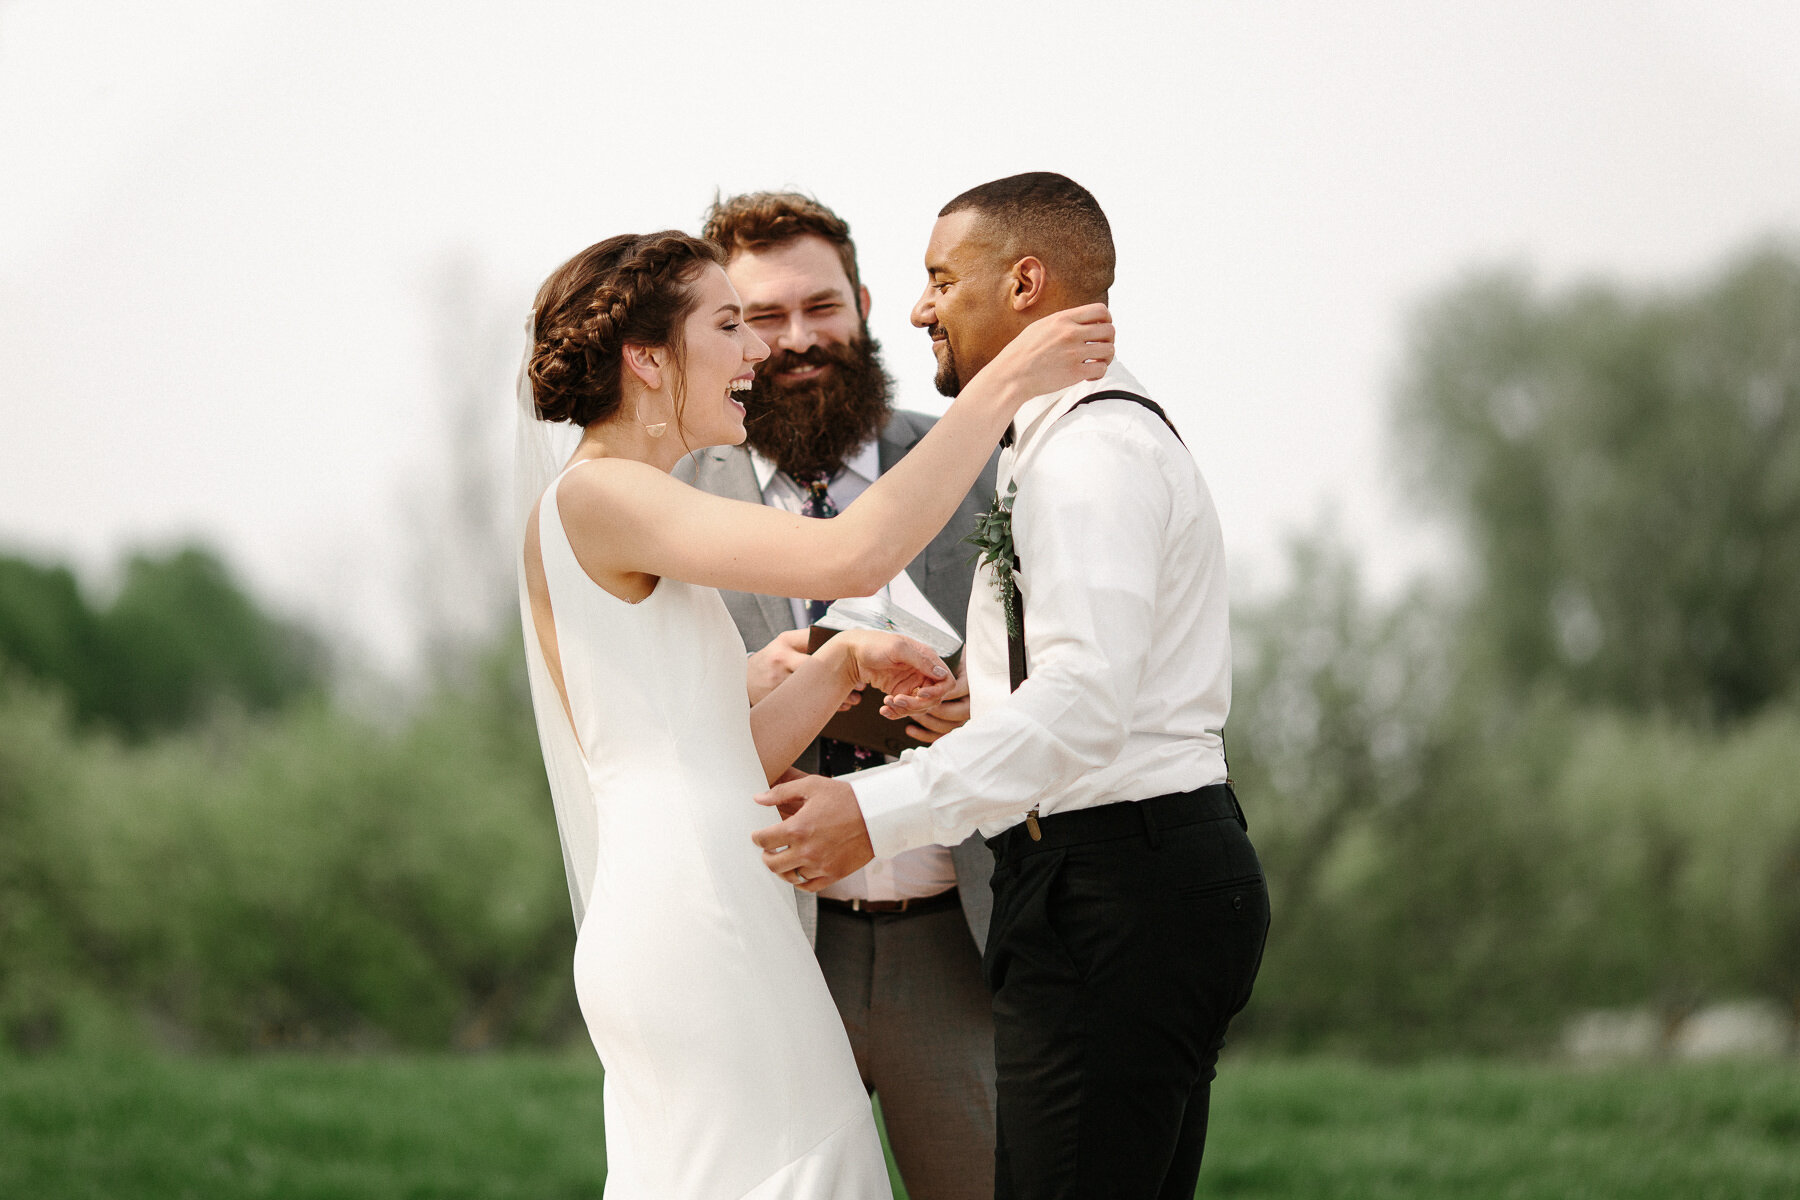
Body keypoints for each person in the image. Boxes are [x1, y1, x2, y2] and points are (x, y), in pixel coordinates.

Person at [514, 228, 1112, 1198]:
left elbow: (718, 758)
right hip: (701, 917)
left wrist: (840, 669)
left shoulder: (614, 503)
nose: (755, 352)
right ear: (647, 357)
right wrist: (1004, 383)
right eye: (728, 325)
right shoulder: (603, 496)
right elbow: (854, 557)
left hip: (697, 902)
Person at [751, 173, 1270, 1200]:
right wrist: (983, 709)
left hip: (1112, 888)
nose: (919, 309)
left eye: (942, 280)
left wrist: (875, 807)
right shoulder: (1056, 447)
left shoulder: (1088, 458)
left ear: (1024, 283)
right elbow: (1096, 688)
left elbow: (1086, 703)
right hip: (1130, 873)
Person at [675, 191, 997, 1200]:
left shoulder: (981, 464)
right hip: (769, 950)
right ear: (724, 331)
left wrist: (983, 700)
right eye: (762, 319)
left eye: (822, 308)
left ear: (862, 304)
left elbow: (1064, 668)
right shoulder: (670, 498)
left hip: (963, 936)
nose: (799, 339)